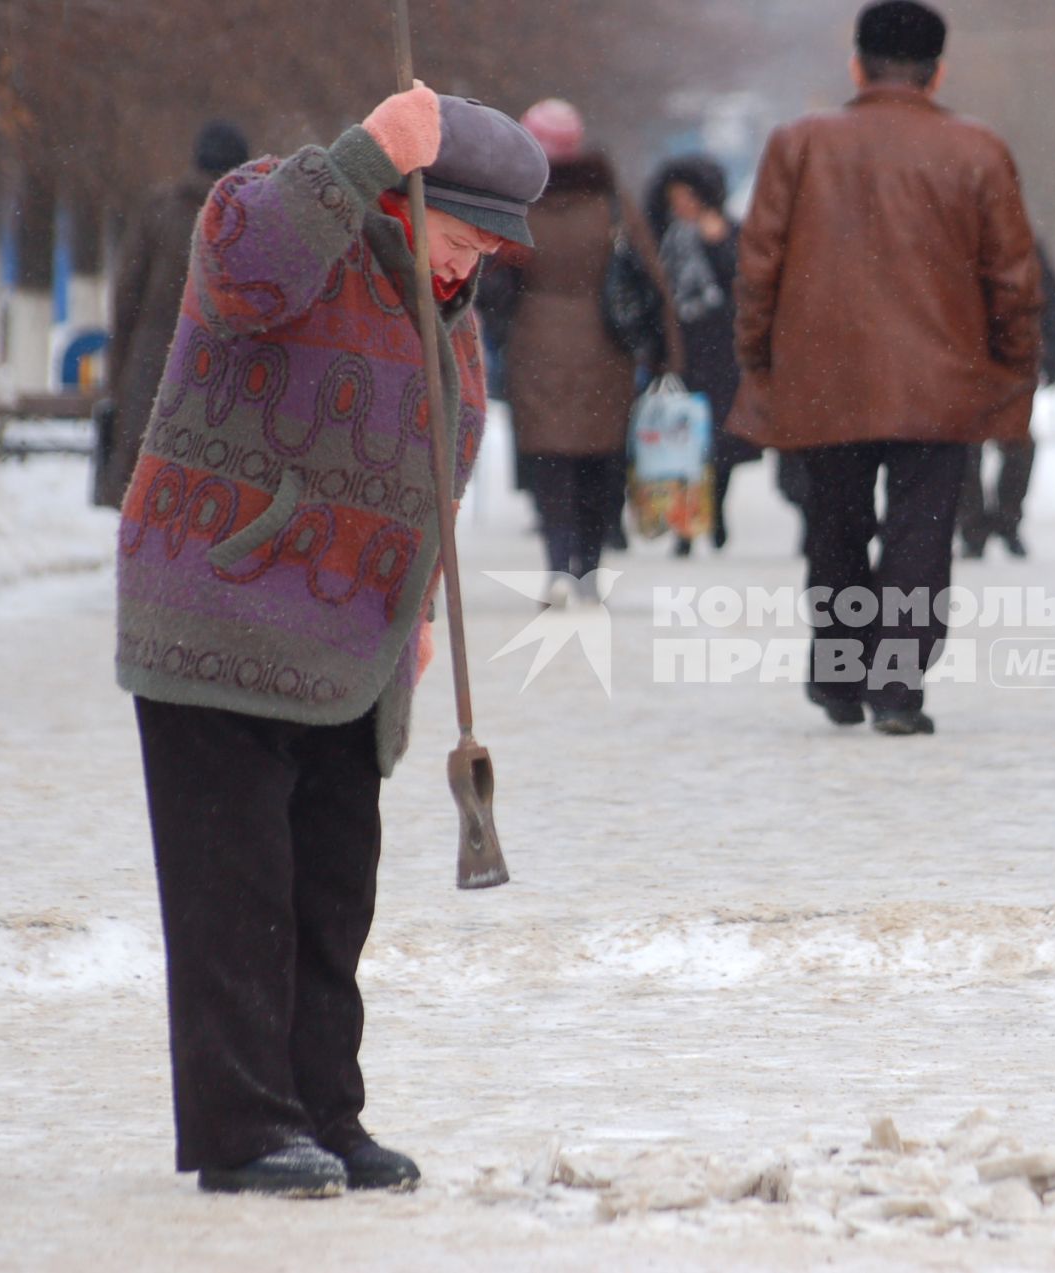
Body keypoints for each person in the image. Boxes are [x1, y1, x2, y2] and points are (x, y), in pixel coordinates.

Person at [115, 85, 550, 1197]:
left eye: (489, 253)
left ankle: (323, 1112)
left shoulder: (441, 307)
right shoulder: (276, 212)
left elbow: (433, 473)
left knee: (329, 894)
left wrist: (411, 625)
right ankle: (245, 1127)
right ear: (406, 199)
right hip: (223, 609)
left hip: (346, 649)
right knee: (236, 890)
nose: (468, 269)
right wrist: (360, 157)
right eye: (461, 239)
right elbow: (246, 272)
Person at [732, 0, 1043, 735]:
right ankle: (897, 687)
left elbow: (759, 265)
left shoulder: (798, 143)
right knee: (921, 532)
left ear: (856, 65)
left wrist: (760, 355)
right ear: (937, 73)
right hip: (941, 379)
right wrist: (1014, 364)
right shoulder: (978, 150)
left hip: (822, 375)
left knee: (834, 524)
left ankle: (839, 673)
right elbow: (1013, 278)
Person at [495, 99, 680, 602]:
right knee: (601, 460)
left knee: (551, 462)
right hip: (607, 347)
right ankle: (590, 572)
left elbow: (494, 282)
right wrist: (667, 350)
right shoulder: (610, 200)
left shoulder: (514, 204)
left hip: (536, 344)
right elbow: (650, 275)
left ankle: (557, 564)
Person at [98, 121, 250, 508]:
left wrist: (117, 382)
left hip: (151, 374)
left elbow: (126, 300)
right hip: (219, 382)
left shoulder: (158, 210)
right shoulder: (247, 222)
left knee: (143, 499)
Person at [645, 155, 759, 556]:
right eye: (676, 197)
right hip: (678, 351)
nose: (682, 205)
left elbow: (744, 286)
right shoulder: (664, 235)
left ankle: (716, 511)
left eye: (689, 197)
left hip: (722, 352)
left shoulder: (729, 233)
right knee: (679, 441)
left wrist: (719, 245)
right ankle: (684, 524)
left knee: (721, 443)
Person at [958, 241, 1055, 560]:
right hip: (970, 360)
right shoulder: (961, 240)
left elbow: (1045, 300)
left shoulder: (1021, 243)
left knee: (1017, 445)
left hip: (1008, 359)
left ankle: (1006, 521)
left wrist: (1049, 356)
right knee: (968, 449)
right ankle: (976, 529)